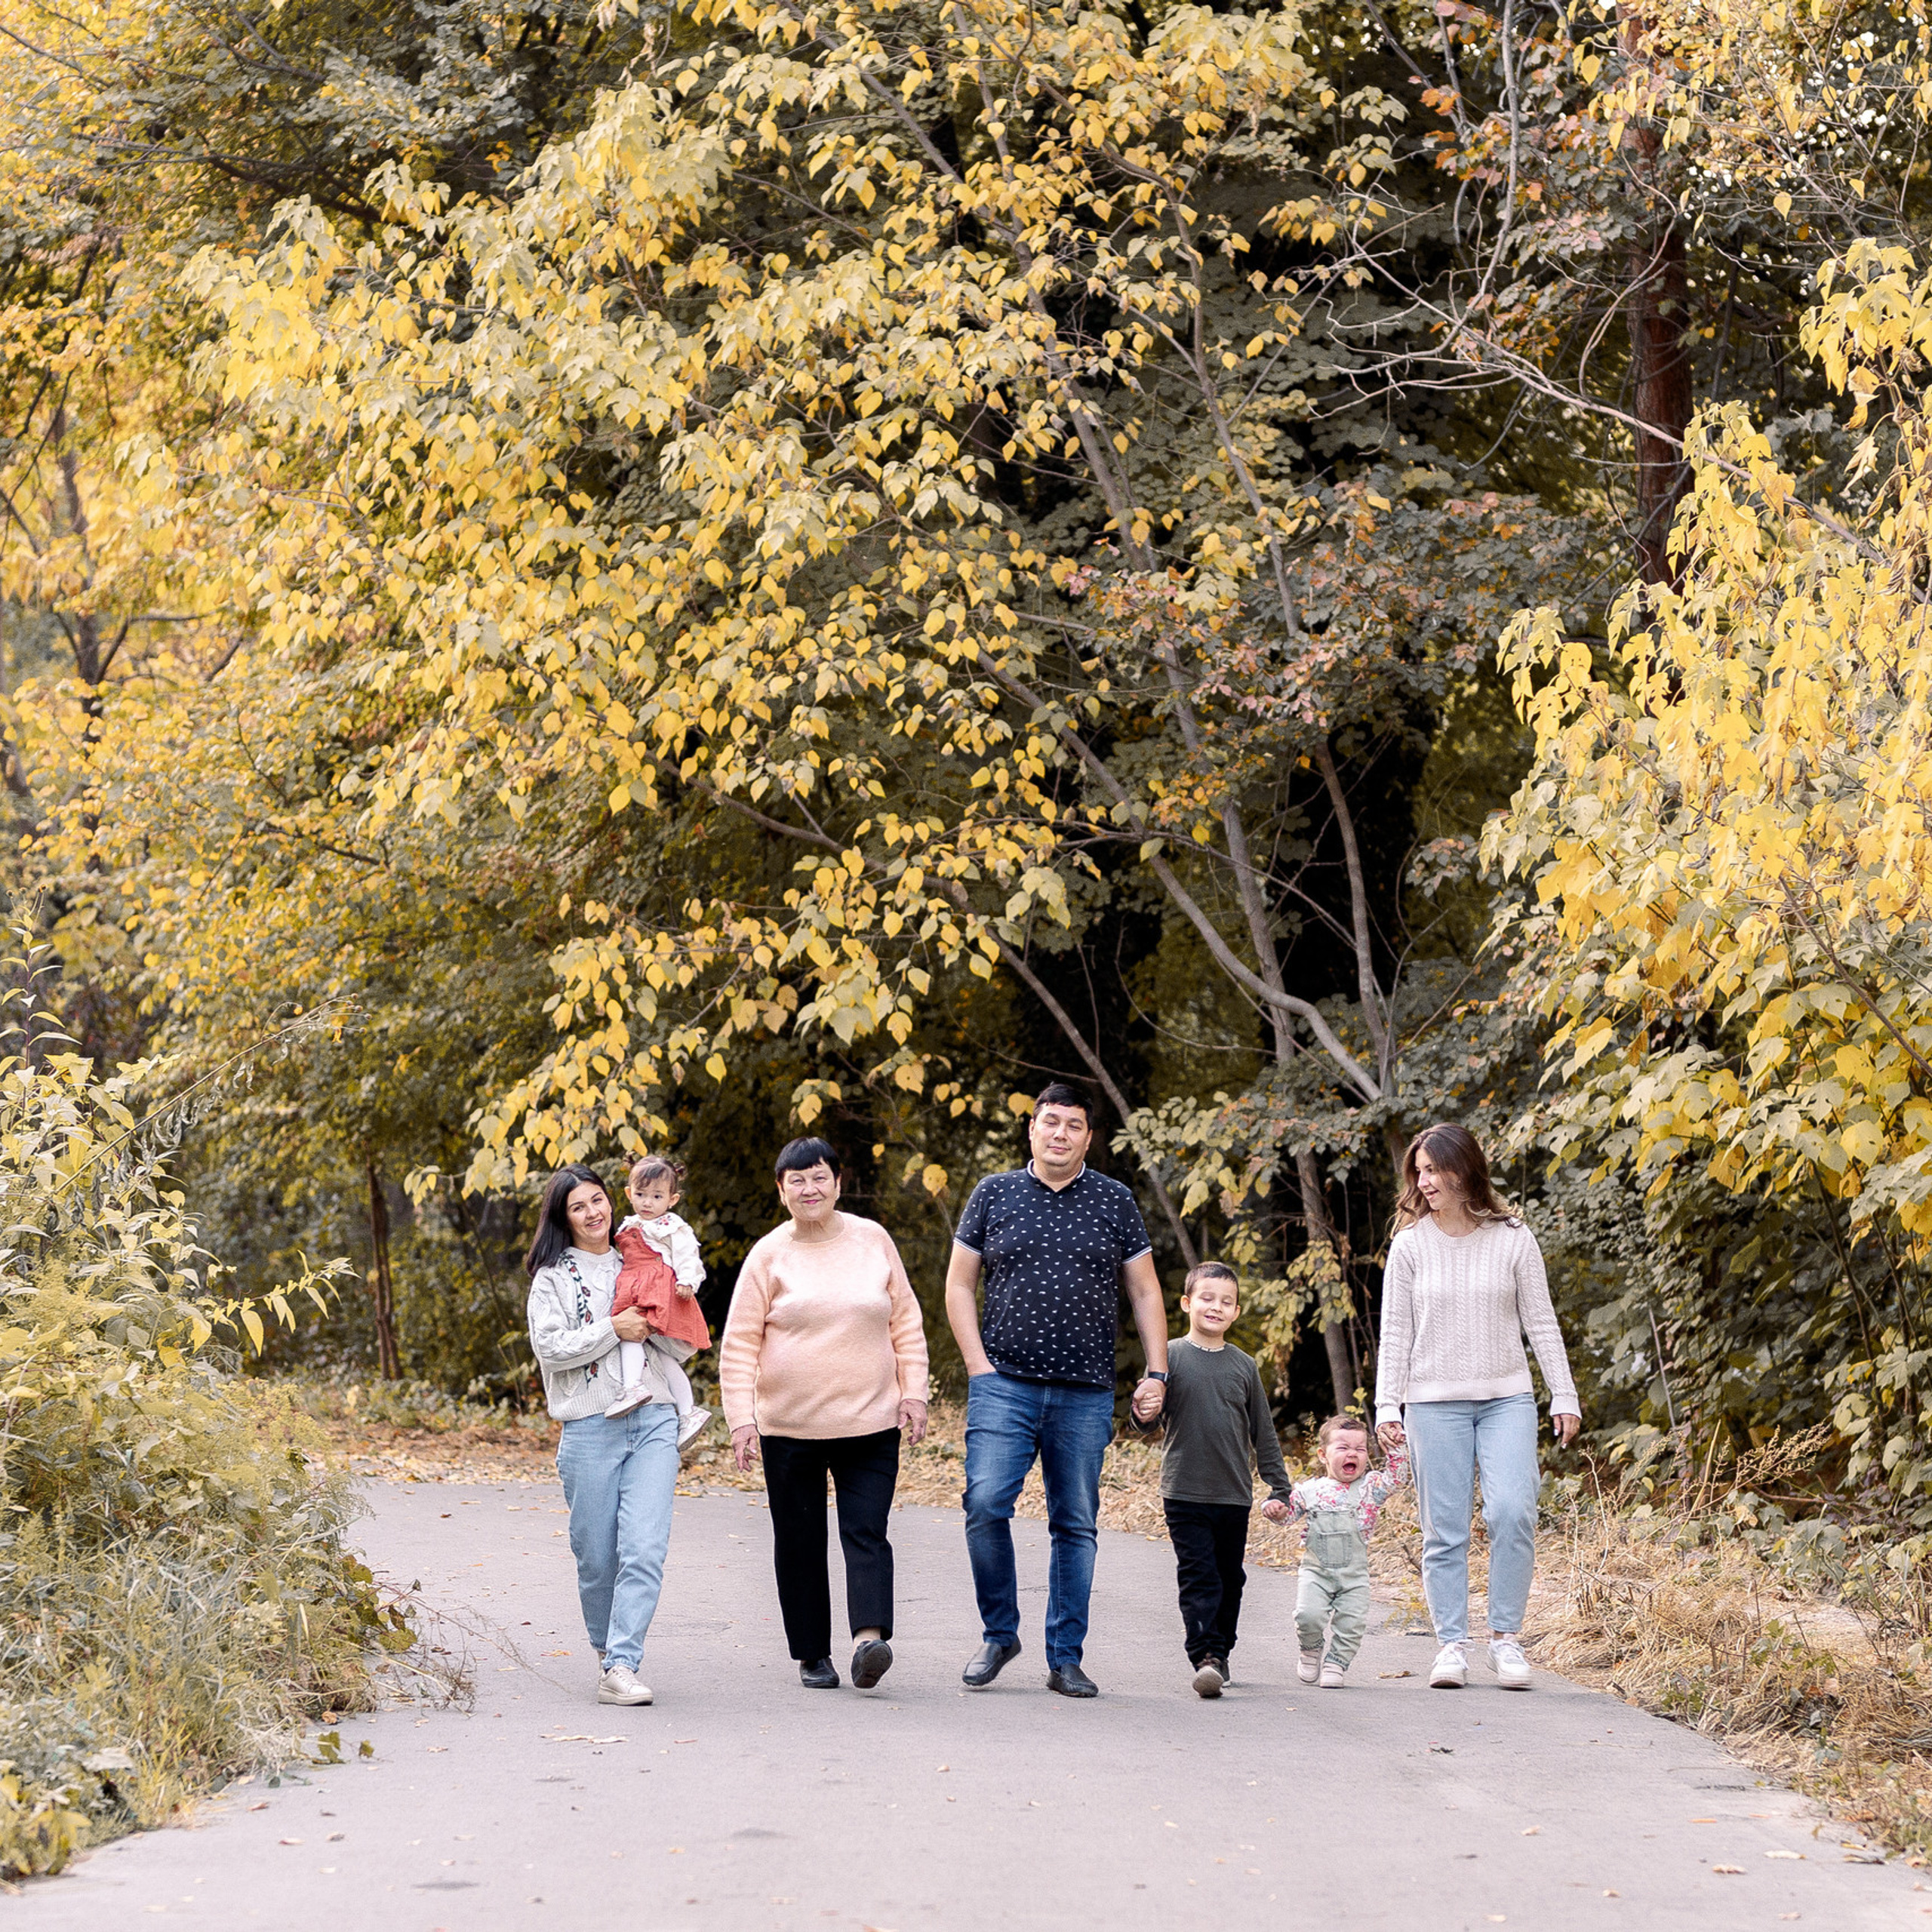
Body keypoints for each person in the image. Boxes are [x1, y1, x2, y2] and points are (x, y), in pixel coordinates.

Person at [945, 1081, 1171, 1699]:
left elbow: (1146, 1291)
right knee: (985, 1505)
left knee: (1075, 1524)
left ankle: (1065, 1656)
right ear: (1032, 1130)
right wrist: (978, 1367)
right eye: (1050, 1122)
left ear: (1088, 1137)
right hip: (1005, 1385)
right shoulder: (994, 1194)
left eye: (1073, 1125)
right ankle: (1000, 1633)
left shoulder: (1115, 1200)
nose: (1060, 1133)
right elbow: (959, 1286)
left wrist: (1157, 1372)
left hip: (1084, 1391)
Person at [1374, 1121, 1581, 1693]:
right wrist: (1386, 1405)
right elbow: (1395, 1333)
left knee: (1513, 1511)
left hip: (1506, 1398)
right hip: (1432, 1403)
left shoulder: (1513, 1237)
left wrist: (1563, 1393)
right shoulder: (1412, 1245)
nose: (1424, 1181)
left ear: (1463, 1170)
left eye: (1433, 1170)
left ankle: (1506, 1642)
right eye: (1418, 1172)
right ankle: (1452, 1645)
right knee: (1444, 1530)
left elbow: (1541, 1321)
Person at [720, 1137, 930, 1692]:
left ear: (838, 1182)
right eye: (797, 1180)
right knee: (799, 1538)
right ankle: (813, 1654)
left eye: (819, 1178)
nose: (809, 1189)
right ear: (781, 1189)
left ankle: (868, 1640)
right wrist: (742, 1419)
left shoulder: (872, 1240)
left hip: (870, 1420)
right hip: (791, 1427)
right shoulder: (769, 1255)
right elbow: (739, 1343)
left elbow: (905, 1322)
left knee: (867, 1531)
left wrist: (915, 1393)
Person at [525, 1163, 678, 1707]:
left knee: (644, 1547)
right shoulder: (553, 1279)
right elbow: (551, 1349)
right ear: (563, 1218)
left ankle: (621, 1664)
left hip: (655, 1416)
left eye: (598, 1200)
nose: (594, 1213)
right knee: (597, 1555)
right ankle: (605, 1649)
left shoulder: (642, 1255)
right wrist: (613, 1328)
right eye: (579, 1206)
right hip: (590, 1426)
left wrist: (670, 1317)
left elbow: (677, 1344)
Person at [1128, 1261, 1293, 1700]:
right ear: (1186, 1303)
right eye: (1206, 1298)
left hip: (1233, 1493)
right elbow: (1148, 1417)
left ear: (1236, 1312)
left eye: (1225, 1302)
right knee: (1200, 1575)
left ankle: (1221, 1651)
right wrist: (1141, 1411)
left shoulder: (1244, 1366)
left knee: (1229, 1578)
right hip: (1183, 1490)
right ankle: (1205, 1656)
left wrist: (1280, 1487)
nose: (1215, 1307)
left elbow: (1264, 1432)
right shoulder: (1170, 1356)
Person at [1283, 1415, 1410, 1689]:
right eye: (1342, 1448)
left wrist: (1397, 1448)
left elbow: (1398, 1479)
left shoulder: (1371, 1488)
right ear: (1323, 1455)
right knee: (1308, 1615)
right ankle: (1311, 1648)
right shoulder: (1310, 1491)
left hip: (1354, 1576)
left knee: (1351, 1624)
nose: (1352, 1454)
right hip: (1316, 1571)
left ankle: (1336, 1663)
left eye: (1360, 1449)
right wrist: (1274, 1508)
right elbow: (1286, 1515)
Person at [604, 1155, 714, 1452]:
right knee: (664, 1359)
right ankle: (689, 1411)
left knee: (631, 1336)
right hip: (636, 1286)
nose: (647, 1203)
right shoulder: (629, 1224)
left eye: (656, 1196)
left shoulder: (671, 1225)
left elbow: (688, 1255)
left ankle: (632, 1387)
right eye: (640, 1195)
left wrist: (688, 1281)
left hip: (659, 1291)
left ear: (672, 1199)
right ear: (629, 1193)